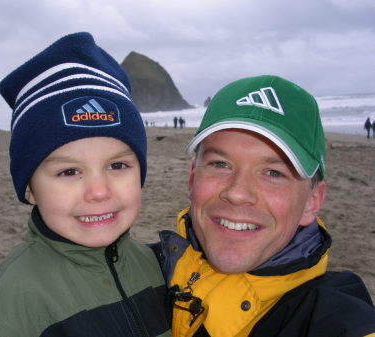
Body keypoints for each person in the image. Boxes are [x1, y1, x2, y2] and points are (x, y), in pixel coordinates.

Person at [0, 32, 171, 337]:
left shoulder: (156, 265)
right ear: (30, 189)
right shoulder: (13, 305)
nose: (99, 192)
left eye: (117, 165)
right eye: (69, 172)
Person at [153, 75, 375, 336]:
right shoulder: (139, 273)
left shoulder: (331, 315)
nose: (237, 193)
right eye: (220, 164)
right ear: (192, 177)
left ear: (312, 201)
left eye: (273, 173)